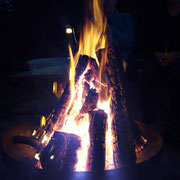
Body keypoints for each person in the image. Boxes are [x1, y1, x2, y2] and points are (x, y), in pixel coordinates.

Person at [142, 0, 180, 127]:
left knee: (177, 73)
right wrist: (157, 54)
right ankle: (148, 115)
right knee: (148, 69)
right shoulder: (158, 14)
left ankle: (173, 120)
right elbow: (149, 38)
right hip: (158, 57)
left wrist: (176, 54)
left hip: (176, 58)